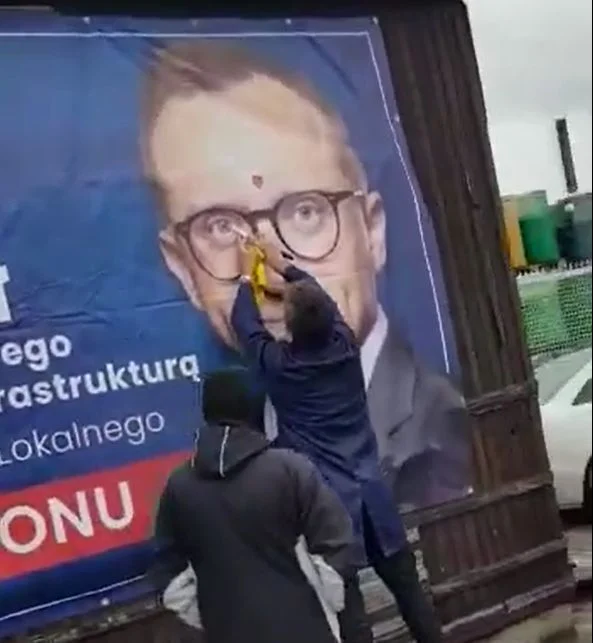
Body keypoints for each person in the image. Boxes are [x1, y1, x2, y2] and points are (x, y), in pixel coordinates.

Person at [142, 40, 471, 513]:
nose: (269, 282)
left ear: (372, 231)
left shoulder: (447, 433)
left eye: (305, 211)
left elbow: (249, 323)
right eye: (220, 226)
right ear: (182, 268)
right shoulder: (287, 398)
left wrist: (248, 268)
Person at [229, 238, 443, 643]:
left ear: (290, 328)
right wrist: (286, 267)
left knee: (349, 611)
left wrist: (244, 275)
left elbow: (247, 327)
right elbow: (322, 303)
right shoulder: (345, 347)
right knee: (409, 591)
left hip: (329, 508)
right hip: (373, 495)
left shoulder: (281, 367)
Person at [152, 368, 354, 643]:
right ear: (251, 407)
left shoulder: (179, 486)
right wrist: (325, 608)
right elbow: (336, 546)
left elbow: (168, 573)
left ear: (206, 412)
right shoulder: (290, 469)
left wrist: (213, 615)